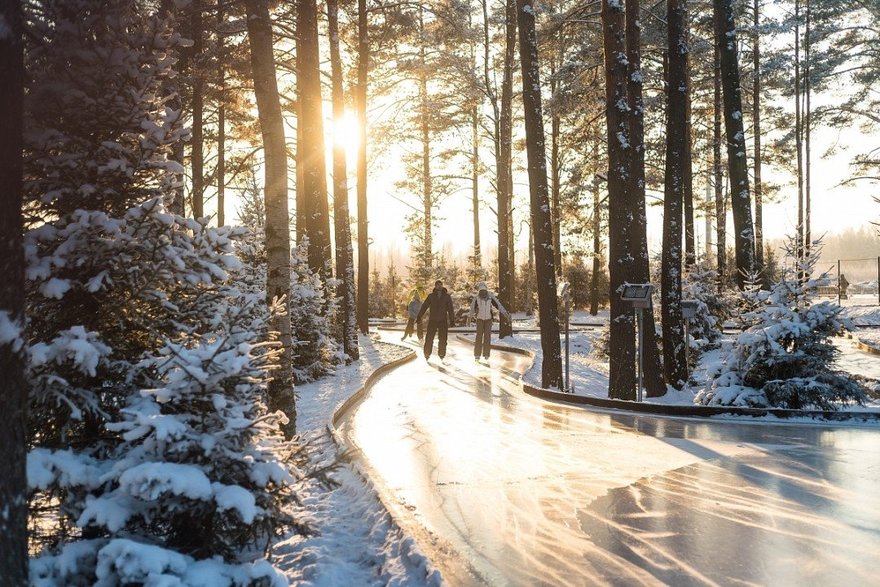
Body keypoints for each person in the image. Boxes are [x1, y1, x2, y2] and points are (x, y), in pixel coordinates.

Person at [416, 280, 455, 362]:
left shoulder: (446, 297)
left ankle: (441, 353)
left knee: (443, 339)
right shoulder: (431, 296)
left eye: (440, 285)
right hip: (433, 320)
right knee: (429, 338)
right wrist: (419, 316)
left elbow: (450, 309)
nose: (439, 286)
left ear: (442, 286)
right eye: (437, 285)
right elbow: (424, 306)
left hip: (443, 321)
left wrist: (452, 320)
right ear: (435, 286)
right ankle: (427, 353)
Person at [470, 281, 509, 362]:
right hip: (479, 319)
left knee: (487, 336)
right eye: (481, 291)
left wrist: (505, 313)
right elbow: (472, 308)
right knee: (479, 337)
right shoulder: (476, 298)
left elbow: (498, 305)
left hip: (488, 319)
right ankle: (477, 354)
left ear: (486, 290)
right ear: (479, 291)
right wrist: (470, 317)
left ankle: (486, 354)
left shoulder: (490, 297)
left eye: (484, 291)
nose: (483, 292)